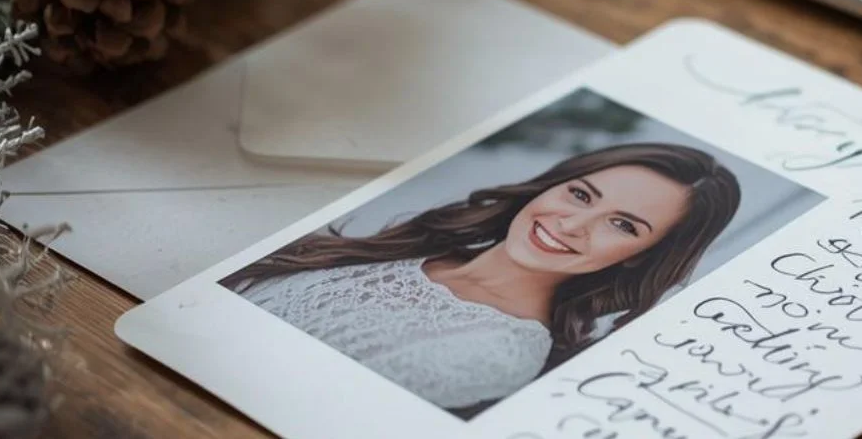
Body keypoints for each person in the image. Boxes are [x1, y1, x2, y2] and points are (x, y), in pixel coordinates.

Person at [221, 143, 741, 414]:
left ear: (638, 257)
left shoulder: (496, 353)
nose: (572, 224)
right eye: (581, 195)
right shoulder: (411, 244)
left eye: (623, 225)